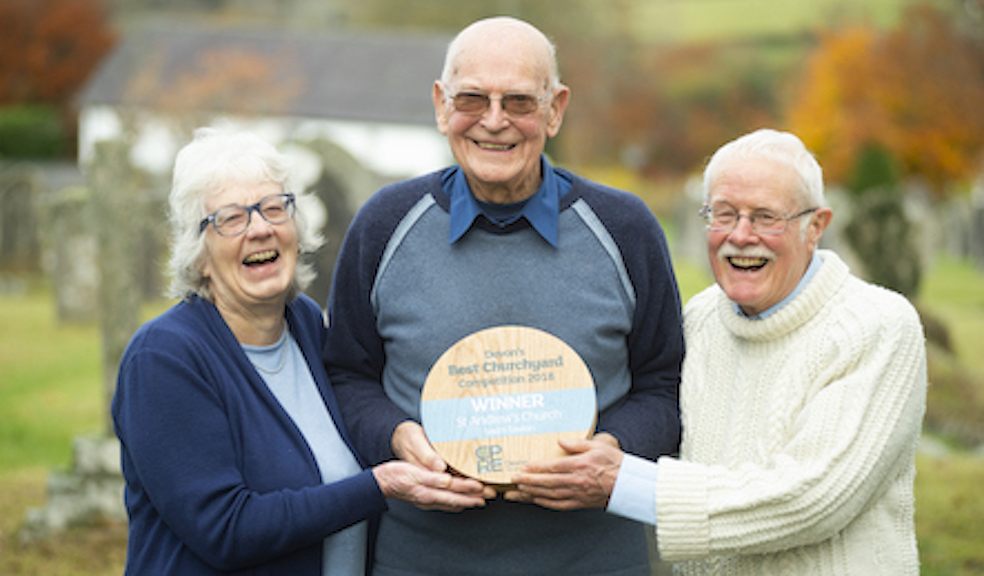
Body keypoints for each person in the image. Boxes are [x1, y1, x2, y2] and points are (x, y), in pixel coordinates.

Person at [322, 16, 684, 576]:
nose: (494, 122)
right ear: (441, 105)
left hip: (593, 561)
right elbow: (347, 374)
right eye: (473, 99)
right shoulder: (384, 225)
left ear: (555, 109)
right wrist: (393, 436)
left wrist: (613, 450)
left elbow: (664, 382)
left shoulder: (624, 229)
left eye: (519, 101)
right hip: (421, 560)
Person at [509, 128, 928, 575]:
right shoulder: (701, 319)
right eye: (724, 214)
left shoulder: (877, 325)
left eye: (766, 217)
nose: (741, 236)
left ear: (816, 228)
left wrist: (625, 484)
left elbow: (814, 497)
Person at [111, 128, 487, 576]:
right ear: (199, 256)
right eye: (231, 218)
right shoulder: (164, 358)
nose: (260, 228)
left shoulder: (306, 325)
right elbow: (225, 529)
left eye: (274, 208)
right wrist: (379, 485)